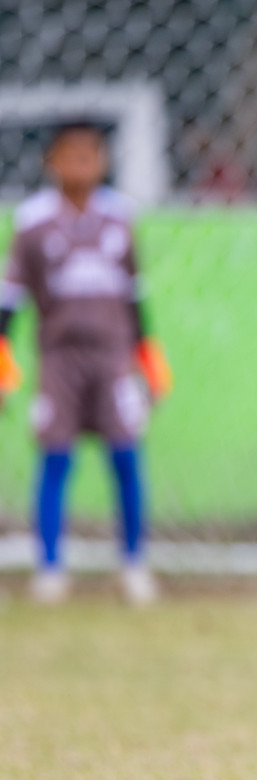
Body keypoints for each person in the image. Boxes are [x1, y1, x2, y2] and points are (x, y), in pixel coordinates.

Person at [0, 123, 173, 605]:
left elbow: (135, 296)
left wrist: (148, 356)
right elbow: (10, 299)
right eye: (69, 155)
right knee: (56, 458)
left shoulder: (120, 218)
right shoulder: (32, 222)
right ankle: (51, 568)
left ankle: (133, 563)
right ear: (50, 163)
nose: (80, 164)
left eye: (89, 155)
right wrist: (2, 359)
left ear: (102, 162)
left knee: (125, 454)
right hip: (59, 359)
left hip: (113, 356)